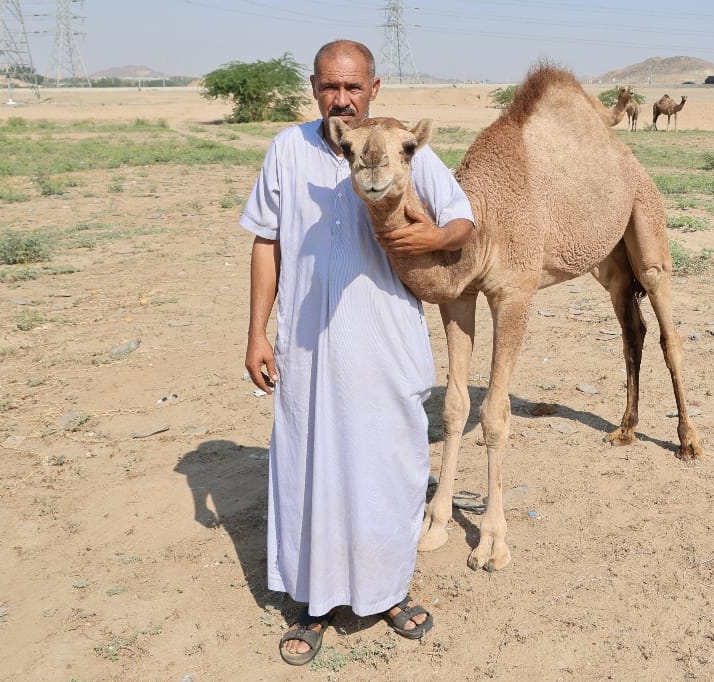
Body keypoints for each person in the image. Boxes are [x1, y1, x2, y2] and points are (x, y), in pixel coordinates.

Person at [240, 39, 475, 666]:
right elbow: (266, 241)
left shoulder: (402, 145)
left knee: (390, 466)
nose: (341, 99)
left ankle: (388, 592)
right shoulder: (288, 150)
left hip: (387, 342)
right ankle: (316, 602)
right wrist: (257, 330)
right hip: (309, 346)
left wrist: (434, 236)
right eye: (329, 87)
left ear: (373, 88)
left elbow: (462, 218)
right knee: (311, 467)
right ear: (314, 88)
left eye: (352, 87)